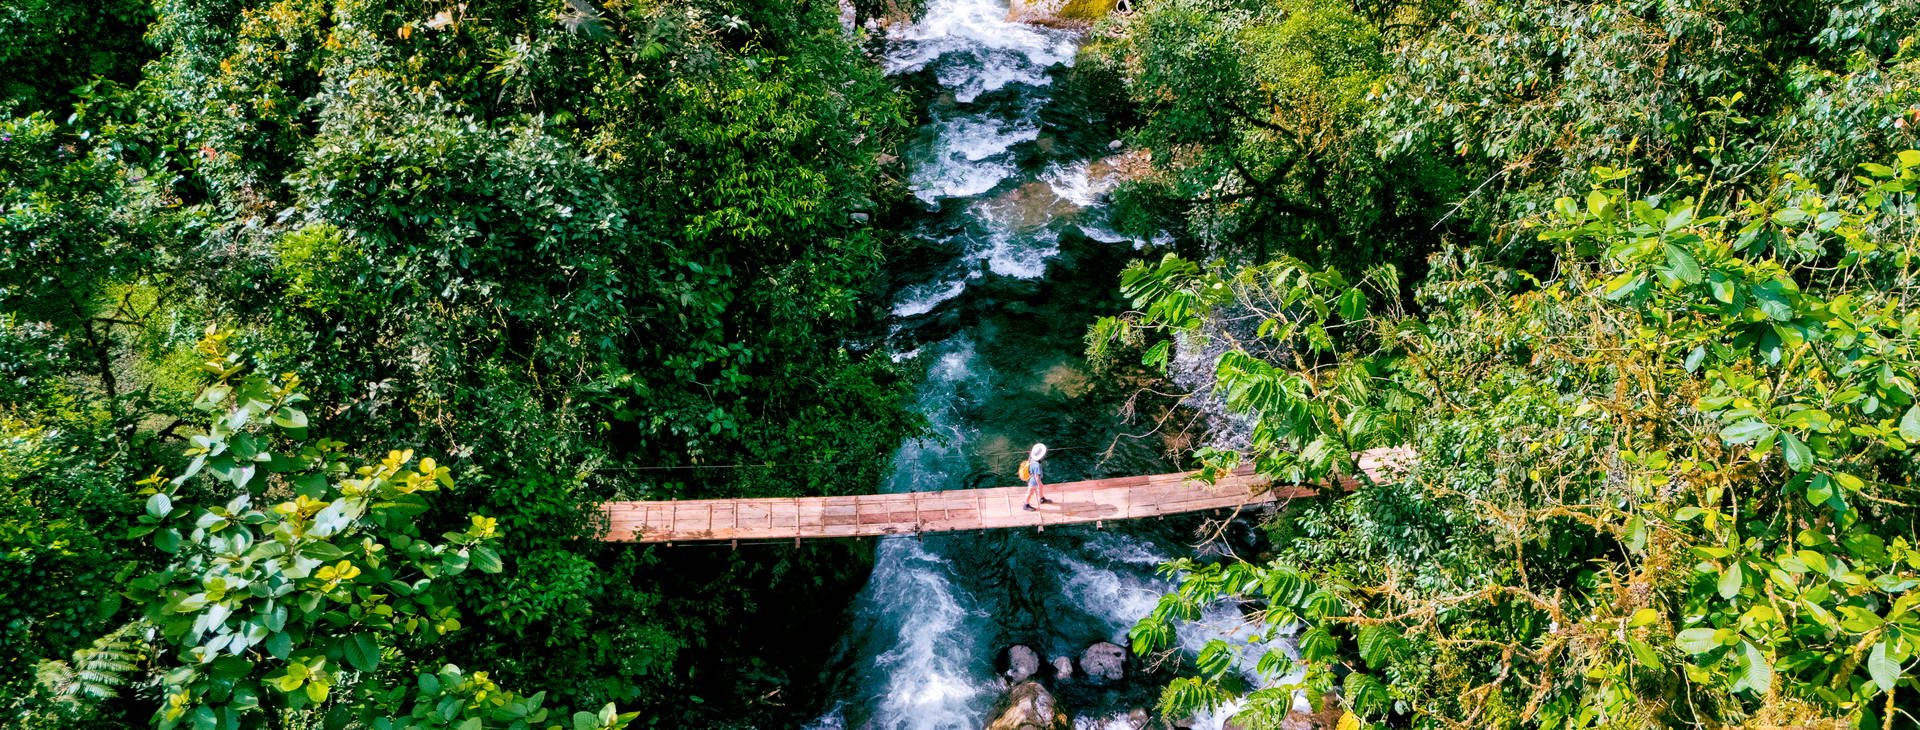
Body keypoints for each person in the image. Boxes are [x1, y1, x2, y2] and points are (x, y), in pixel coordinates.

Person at [1022, 443, 1050, 511]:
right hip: (1034, 481)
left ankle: (1042, 498)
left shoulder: (1031, 459)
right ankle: (1026, 504)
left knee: (1040, 488)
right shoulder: (1037, 465)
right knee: (1030, 492)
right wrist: (1039, 483)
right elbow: (1036, 476)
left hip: (1033, 478)